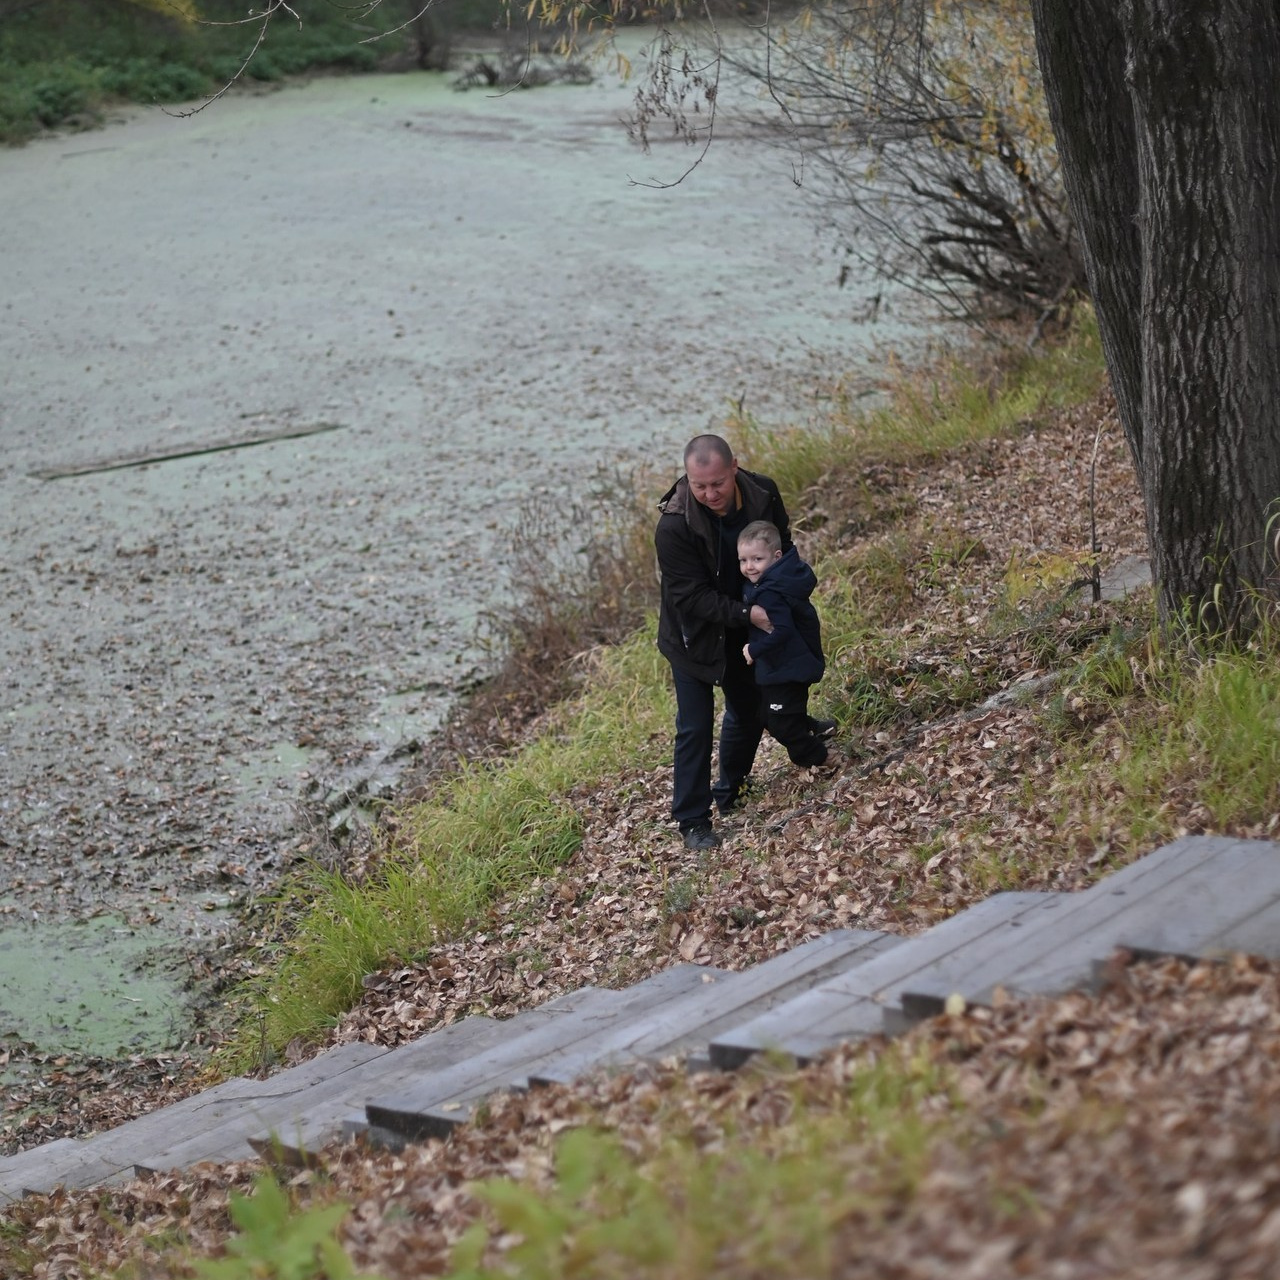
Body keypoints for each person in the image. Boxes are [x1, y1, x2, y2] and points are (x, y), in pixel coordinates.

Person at [655, 434, 791, 850]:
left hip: (745, 623)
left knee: (750, 710)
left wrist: (784, 600)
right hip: (693, 634)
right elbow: (690, 597)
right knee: (694, 726)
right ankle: (693, 821)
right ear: (687, 478)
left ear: (734, 467)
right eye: (700, 486)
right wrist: (747, 613)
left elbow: (784, 550)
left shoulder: (763, 492)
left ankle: (730, 791)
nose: (710, 494)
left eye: (717, 483)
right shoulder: (674, 526)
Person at [738, 520, 832, 770]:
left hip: (788, 667)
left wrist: (754, 650)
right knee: (767, 716)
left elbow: (783, 630)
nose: (749, 567)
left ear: (776, 556)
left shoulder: (771, 591)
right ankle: (816, 729)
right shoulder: (766, 583)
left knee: (781, 723)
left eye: (757, 559)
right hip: (778, 666)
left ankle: (818, 758)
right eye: (743, 560)